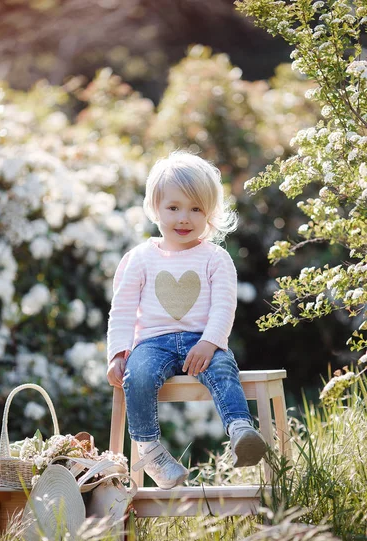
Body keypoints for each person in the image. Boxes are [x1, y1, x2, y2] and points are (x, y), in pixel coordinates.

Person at [107, 151, 267, 489]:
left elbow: (224, 307)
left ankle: (241, 430)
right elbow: (121, 310)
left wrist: (210, 342)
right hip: (152, 343)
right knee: (138, 376)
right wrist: (118, 353)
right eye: (174, 207)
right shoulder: (139, 259)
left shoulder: (216, 258)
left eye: (196, 209)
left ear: (210, 213)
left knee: (223, 369)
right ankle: (151, 453)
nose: (184, 218)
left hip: (202, 340)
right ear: (156, 207)